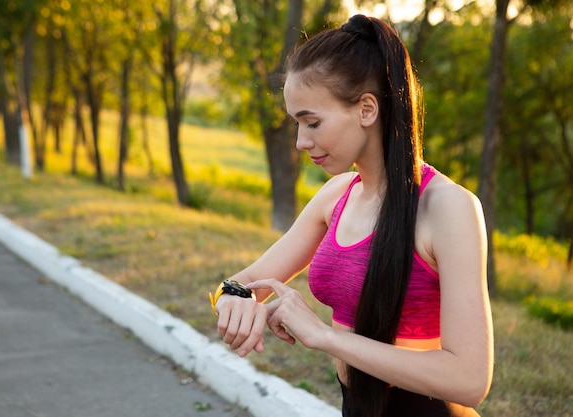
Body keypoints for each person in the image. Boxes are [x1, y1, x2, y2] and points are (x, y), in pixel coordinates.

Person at [209, 14, 494, 417]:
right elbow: (241, 284)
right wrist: (231, 301)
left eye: (312, 122)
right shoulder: (337, 196)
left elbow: (470, 380)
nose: (300, 141)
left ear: (366, 109)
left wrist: (324, 337)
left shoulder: (448, 207)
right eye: (296, 124)